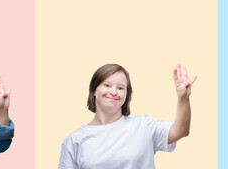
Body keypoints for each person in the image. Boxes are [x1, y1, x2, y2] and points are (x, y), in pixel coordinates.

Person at [59, 63, 196, 169]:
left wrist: (183, 98)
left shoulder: (143, 126)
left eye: (120, 88)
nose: (113, 92)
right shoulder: (74, 141)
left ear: (126, 95)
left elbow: (180, 130)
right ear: (94, 90)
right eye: (107, 85)